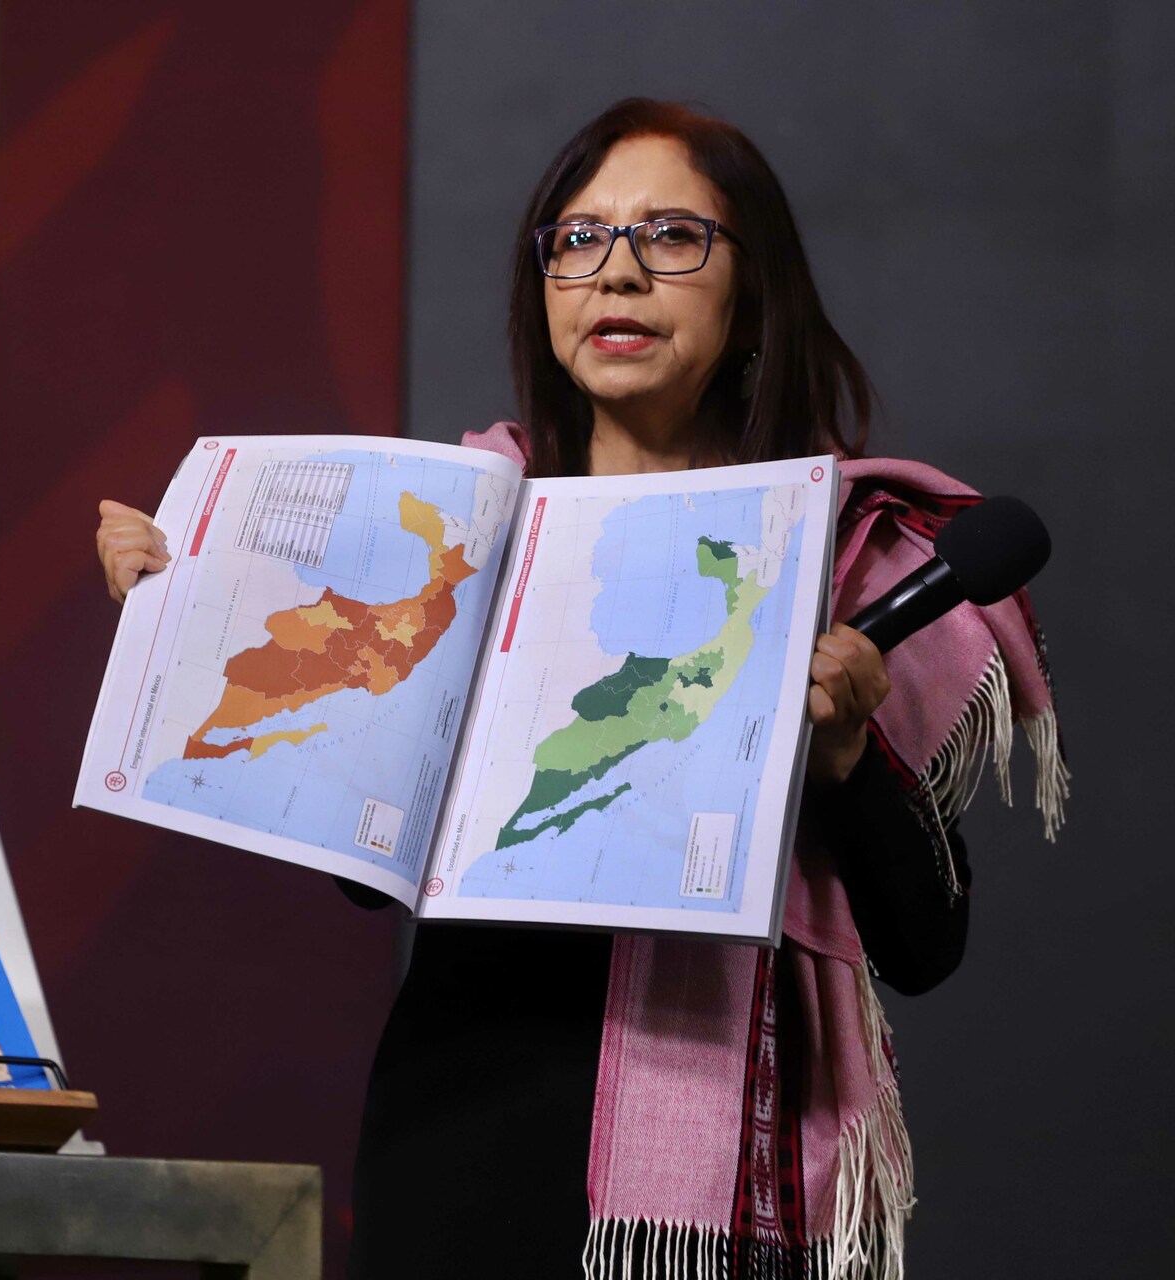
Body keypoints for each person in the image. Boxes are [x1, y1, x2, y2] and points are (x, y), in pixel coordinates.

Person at [93, 99, 1064, 1277]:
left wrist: (849, 756)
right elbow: (363, 868)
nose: (618, 271)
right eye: (581, 238)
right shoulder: (460, 529)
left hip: (721, 1181)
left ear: (753, 291)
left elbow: (924, 942)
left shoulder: (842, 554)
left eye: (672, 236)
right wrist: (190, 603)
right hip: (465, 1124)